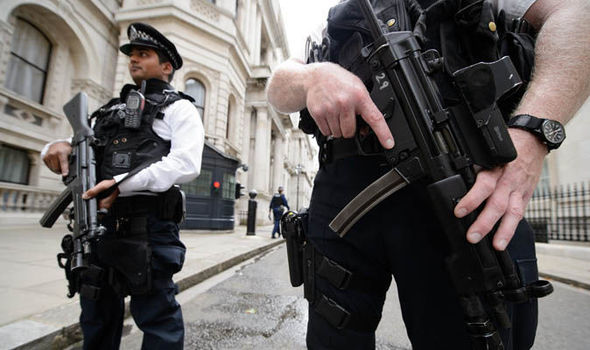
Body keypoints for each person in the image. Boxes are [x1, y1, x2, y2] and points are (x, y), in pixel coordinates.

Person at [267, 0, 590, 349]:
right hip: (342, 200)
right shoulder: (344, 13)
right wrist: (312, 77)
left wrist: (534, 132)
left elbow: (575, 14)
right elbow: (279, 86)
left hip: (459, 189)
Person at [42, 22, 204, 349]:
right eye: (131, 55)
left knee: (158, 321)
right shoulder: (108, 112)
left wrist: (121, 184)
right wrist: (54, 147)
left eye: (143, 54)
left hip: (148, 227)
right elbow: (80, 145)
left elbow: (186, 164)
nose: (134, 60)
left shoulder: (179, 107)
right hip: (98, 226)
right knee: (96, 316)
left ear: (167, 66)